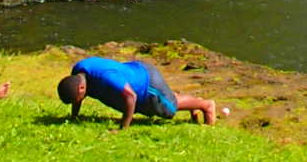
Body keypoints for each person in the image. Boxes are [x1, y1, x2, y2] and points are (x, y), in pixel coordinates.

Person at [57, 55, 220, 129]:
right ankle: (188, 102)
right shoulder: (78, 73)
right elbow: (77, 97)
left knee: (168, 109)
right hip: (133, 72)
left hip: (147, 81)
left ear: (82, 88)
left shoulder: (105, 77)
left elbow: (130, 96)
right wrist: (73, 117)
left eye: (78, 98)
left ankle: (205, 105)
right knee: (166, 100)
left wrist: (123, 127)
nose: (78, 101)